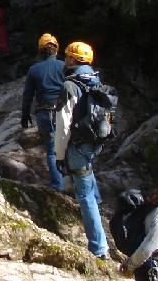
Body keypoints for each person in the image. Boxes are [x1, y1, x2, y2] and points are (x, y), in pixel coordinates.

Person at [54, 41, 109, 258]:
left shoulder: (70, 85)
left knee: (84, 196)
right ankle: (102, 226)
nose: (64, 60)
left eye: (67, 57)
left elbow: (63, 125)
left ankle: (99, 248)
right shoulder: (95, 80)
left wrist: (59, 156)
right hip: (95, 143)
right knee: (89, 180)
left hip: (77, 146)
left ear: (72, 60)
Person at [21, 33, 66, 191]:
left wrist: (25, 115)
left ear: (40, 50)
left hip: (44, 112)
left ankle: (57, 185)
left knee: (52, 150)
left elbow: (28, 95)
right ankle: (77, 183)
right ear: (56, 49)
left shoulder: (34, 69)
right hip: (64, 111)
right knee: (70, 148)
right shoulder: (64, 66)